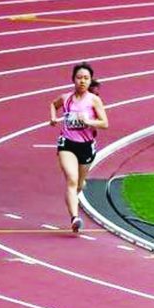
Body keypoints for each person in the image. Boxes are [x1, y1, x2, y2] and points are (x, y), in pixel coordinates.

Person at [49, 62, 108, 232]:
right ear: (73, 79)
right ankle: (75, 218)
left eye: (86, 78)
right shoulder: (66, 98)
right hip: (67, 143)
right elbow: (53, 104)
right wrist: (53, 118)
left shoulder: (94, 100)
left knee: (79, 184)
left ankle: (76, 193)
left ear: (90, 81)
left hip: (86, 146)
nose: (82, 81)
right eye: (79, 77)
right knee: (72, 180)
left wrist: (89, 121)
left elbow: (105, 123)